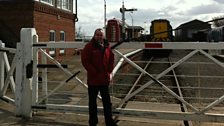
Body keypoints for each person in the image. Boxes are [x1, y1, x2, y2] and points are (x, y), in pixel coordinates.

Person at [81, 28, 117, 126]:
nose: (99, 36)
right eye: (97, 35)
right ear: (94, 35)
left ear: (103, 36)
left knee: (107, 102)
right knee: (92, 103)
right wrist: (93, 71)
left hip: (104, 79)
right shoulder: (89, 47)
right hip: (93, 79)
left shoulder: (106, 46)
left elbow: (111, 57)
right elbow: (85, 60)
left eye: (101, 35)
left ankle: (109, 122)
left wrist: (109, 70)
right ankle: (92, 122)